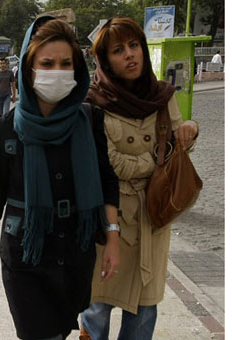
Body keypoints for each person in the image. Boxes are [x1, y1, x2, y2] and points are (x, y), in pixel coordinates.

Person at [0, 17, 121, 340]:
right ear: (28, 69)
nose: (56, 71)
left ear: (76, 69)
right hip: (25, 254)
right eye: (47, 63)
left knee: (59, 330)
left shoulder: (89, 120)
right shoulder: (5, 128)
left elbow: (107, 179)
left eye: (65, 63)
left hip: (74, 252)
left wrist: (112, 237)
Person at [79, 18, 199, 340]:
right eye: (118, 50)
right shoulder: (92, 103)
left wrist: (190, 129)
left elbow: (175, 140)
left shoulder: (162, 95)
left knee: (145, 312)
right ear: (105, 60)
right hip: (110, 218)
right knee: (97, 308)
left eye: (134, 46)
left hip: (152, 219)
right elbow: (109, 163)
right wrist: (156, 158)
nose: (130, 55)